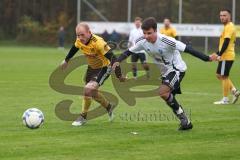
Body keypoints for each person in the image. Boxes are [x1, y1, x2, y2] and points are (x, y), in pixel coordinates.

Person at [112, 17, 217, 130]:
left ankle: (184, 119)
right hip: (165, 72)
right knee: (167, 96)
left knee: (162, 92)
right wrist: (117, 61)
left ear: (156, 30)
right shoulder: (142, 41)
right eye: (145, 33)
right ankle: (185, 122)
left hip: (177, 70)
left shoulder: (167, 41)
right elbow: (128, 52)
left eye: (149, 33)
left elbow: (188, 49)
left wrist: (207, 58)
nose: (147, 36)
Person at [60, 22, 124, 126]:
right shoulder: (79, 40)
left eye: (82, 35)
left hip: (104, 68)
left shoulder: (98, 43)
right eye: (78, 35)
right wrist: (66, 60)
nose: (80, 37)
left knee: (88, 89)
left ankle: (83, 117)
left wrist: (119, 75)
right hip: (91, 68)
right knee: (92, 93)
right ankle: (109, 107)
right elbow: (75, 47)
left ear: (89, 32)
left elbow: (113, 58)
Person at [212, 9, 240, 104]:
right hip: (226, 55)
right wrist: (217, 53)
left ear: (229, 16)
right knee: (219, 75)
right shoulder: (228, 26)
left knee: (224, 76)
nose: (222, 17)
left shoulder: (229, 26)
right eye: (221, 15)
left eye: (224, 15)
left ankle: (225, 99)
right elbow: (224, 43)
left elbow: (226, 42)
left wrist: (219, 54)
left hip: (226, 56)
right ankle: (234, 91)